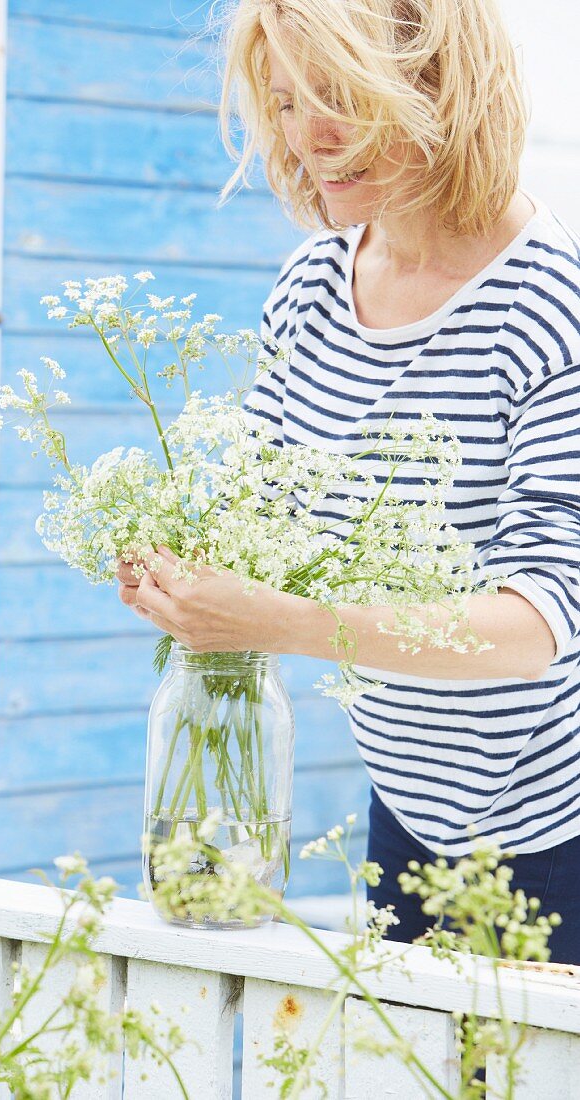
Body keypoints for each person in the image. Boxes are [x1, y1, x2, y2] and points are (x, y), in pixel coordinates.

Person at [117, 0, 580, 963]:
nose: (308, 138)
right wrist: (181, 577)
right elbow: (253, 516)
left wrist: (276, 622)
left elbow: (543, 622)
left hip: (552, 828)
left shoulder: (549, 307)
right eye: (284, 102)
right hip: (405, 803)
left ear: (435, 91)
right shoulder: (311, 286)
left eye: (339, 97)